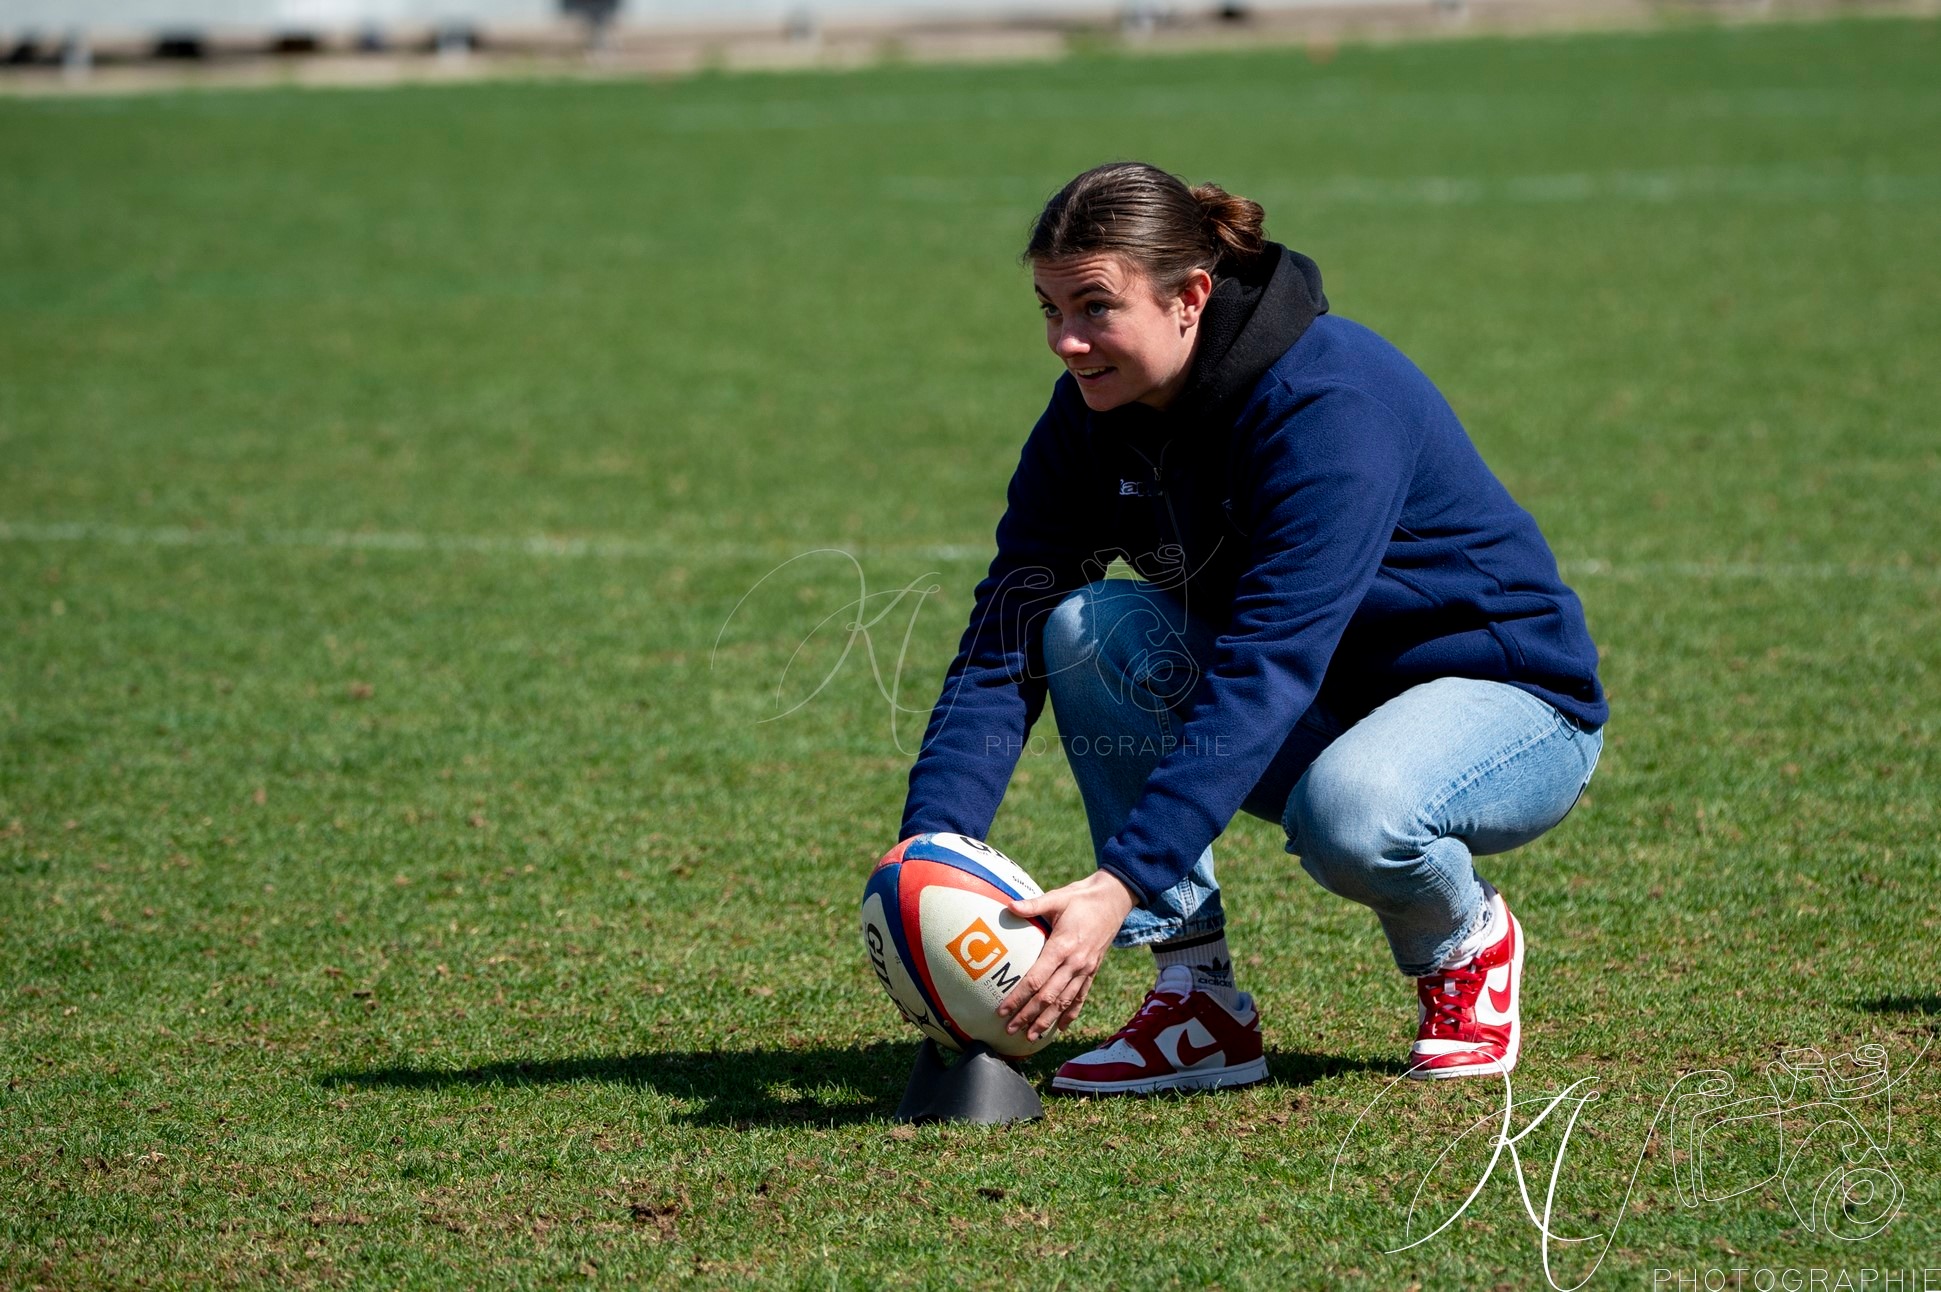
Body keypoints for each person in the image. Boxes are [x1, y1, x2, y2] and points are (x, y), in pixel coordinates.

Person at [897, 161, 1606, 1094]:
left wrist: (1119, 886)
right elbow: (1006, 631)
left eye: (1095, 307)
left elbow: (1268, 662)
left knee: (1353, 815)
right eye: (1048, 308)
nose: (1065, 342)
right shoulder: (1090, 414)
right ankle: (1197, 1005)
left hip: (1510, 708)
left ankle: (1462, 941)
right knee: (1083, 628)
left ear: (1189, 295)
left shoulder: (1329, 406)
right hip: (1315, 703)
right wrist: (927, 860)